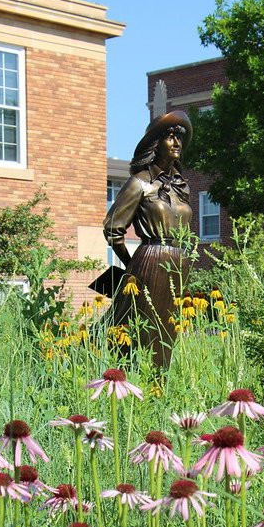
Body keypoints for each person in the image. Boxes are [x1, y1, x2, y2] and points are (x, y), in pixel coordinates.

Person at [102, 110, 193, 367]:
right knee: (143, 328)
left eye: (180, 137)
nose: (177, 143)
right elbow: (113, 229)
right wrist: (130, 266)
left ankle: (159, 387)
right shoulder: (139, 183)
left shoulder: (180, 186)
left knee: (169, 331)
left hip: (179, 261)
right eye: (170, 137)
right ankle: (126, 379)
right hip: (150, 259)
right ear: (156, 144)